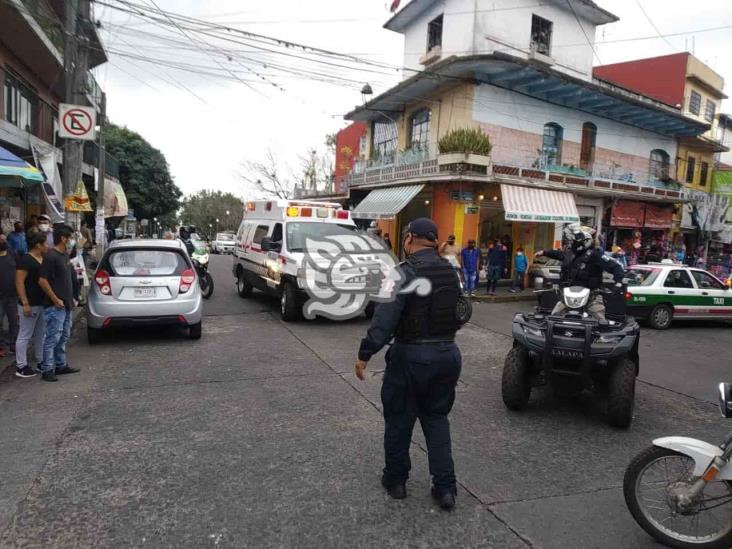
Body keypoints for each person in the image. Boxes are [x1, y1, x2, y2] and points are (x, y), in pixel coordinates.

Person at [355, 218, 462, 510]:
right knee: (437, 420)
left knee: (400, 420)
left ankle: (396, 481)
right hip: (447, 355)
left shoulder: (402, 272)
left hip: (411, 358)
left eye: (405, 237)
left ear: (411, 238)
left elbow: (384, 321)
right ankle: (445, 489)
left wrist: (365, 354)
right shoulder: (451, 272)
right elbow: (461, 312)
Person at [536, 225, 625, 320]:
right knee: (554, 317)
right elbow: (559, 254)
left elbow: (616, 266)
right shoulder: (572, 253)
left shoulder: (596, 255)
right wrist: (544, 252)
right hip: (569, 295)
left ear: (584, 242)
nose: (571, 244)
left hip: (592, 296)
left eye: (574, 242)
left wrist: (618, 282)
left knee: (600, 320)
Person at [38, 224, 80, 382]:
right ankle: (47, 369)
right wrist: (55, 300)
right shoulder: (51, 256)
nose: (72, 241)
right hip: (55, 306)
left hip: (66, 304)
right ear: (63, 238)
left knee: (63, 336)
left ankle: (60, 365)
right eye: (70, 238)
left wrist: (73, 298)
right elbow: (42, 281)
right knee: (52, 337)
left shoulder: (64, 256)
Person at [14, 232, 48, 378]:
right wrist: (25, 302)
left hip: (42, 303)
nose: (47, 246)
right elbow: (19, 282)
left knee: (41, 333)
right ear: (38, 245)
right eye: (45, 243)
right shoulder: (25, 260)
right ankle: (21, 365)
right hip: (29, 303)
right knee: (25, 334)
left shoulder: (44, 259)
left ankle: (41, 361)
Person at [0, 235, 18, 357]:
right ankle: (1, 346)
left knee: (14, 322)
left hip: (13, 295)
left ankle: (14, 345)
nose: (2, 241)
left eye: (3, 239)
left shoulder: (12, 253)